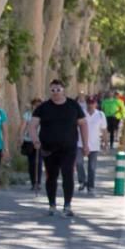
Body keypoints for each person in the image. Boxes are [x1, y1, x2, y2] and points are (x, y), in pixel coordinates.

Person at [30, 79, 88, 217]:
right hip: (49, 149)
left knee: (68, 174)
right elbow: (32, 125)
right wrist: (35, 140)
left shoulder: (73, 106)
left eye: (58, 90)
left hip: (69, 148)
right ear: (50, 91)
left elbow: (83, 125)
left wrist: (86, 144)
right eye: (53, 90)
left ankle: (67, 205)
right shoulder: (43, 107)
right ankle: (52, 205)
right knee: (51, 177)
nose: (55, 92)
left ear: (63, 90)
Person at [76, 96, 107, 195]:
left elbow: (104, 130)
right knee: (78, 162)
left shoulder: (100, 115)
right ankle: (82, 181)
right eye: (89, 102)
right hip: (80, 143)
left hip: (94, 145)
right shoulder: (81, 113)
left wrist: (105, 143)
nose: (90, 105)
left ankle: (91, 186)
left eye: (92, 103)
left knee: (92, 167)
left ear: (96, 104)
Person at [20, 98, 42, 191]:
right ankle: (33, 182)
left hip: (40, 141)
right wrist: (20, 136)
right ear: (32, 105)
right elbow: (23, 126)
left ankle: (38, 182)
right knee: (31, 163)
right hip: (29, 140)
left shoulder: (43, 115)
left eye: (39, 105)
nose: (37, 106)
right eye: (35, 104)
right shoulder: (28, 115)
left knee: (39, 162)